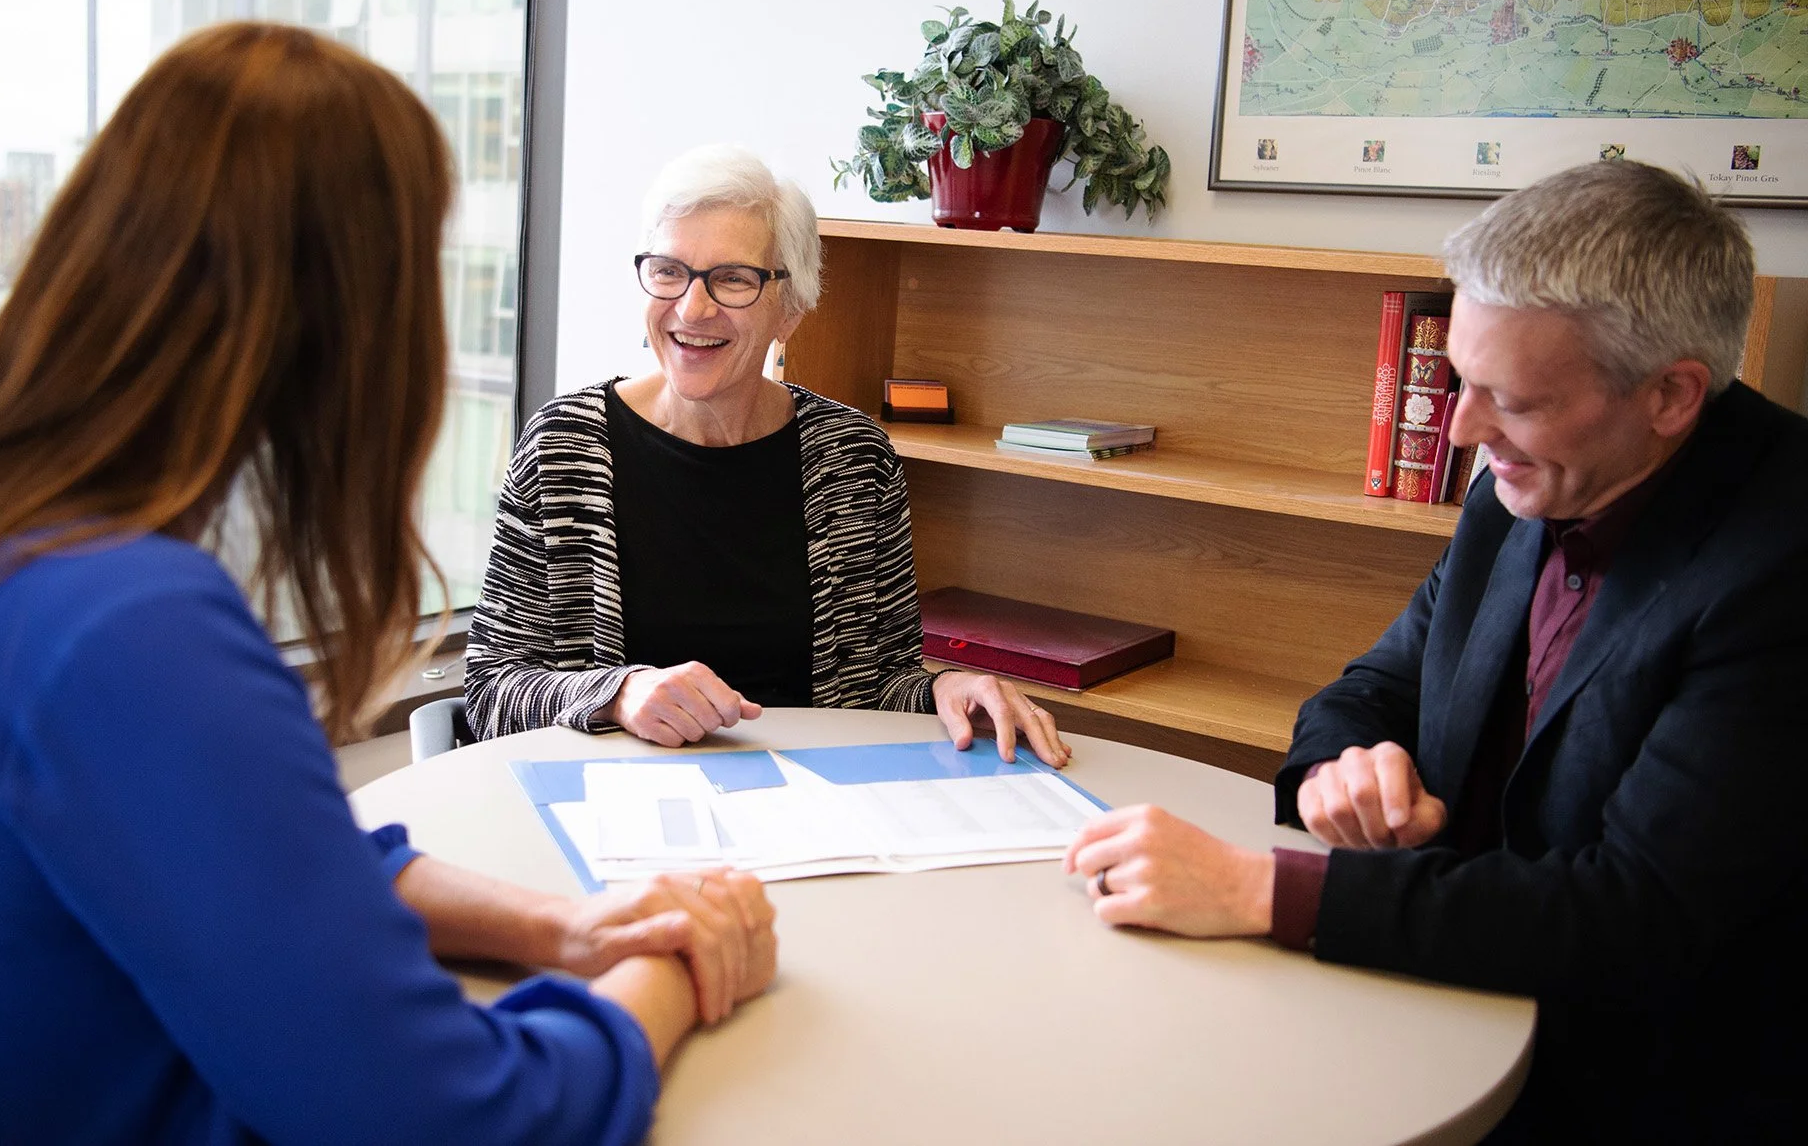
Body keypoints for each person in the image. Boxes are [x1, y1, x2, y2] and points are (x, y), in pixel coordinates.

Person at [0, 23, 776, 1145]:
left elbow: (264, 873)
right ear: (343, 320)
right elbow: (456, 1120)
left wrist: (564, 929)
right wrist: (672, 967)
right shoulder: (130, 628)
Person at [1060, 160, 1808, 1138]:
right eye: (1461, 380)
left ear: (1670, 396)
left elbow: (1637, 920)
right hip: (1440, 1000)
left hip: (1641, 1083)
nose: (1460, 428)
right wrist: (1345, 766)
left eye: (1515, 399)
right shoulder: (1524, 486)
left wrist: (1259, 888)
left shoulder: (1780, 560)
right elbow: (1367, 690)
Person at [463, 145, 1069, 767]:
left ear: (792, 310)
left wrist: (947, 686)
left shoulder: (853, 458)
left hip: (818, 804)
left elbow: (879, 686)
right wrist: (620, 692)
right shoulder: (565, 444)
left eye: (732, 279)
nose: (692, 309)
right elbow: (489, 691)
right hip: (625, 804)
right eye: (670, 270)